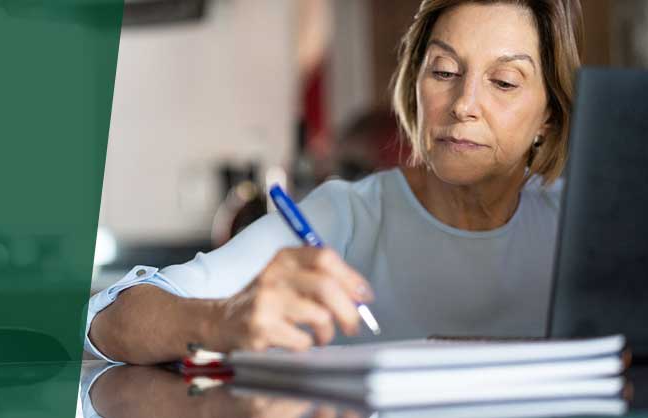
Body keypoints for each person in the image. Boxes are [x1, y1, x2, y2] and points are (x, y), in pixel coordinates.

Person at [86, 0, 584, 365]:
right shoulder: (343, 217)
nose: (463, 104)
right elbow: (104, 321)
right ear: (415, 86)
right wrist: (220, 321)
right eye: (444, 71)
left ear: (548, 114)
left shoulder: (581, 225)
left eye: (504, 82)